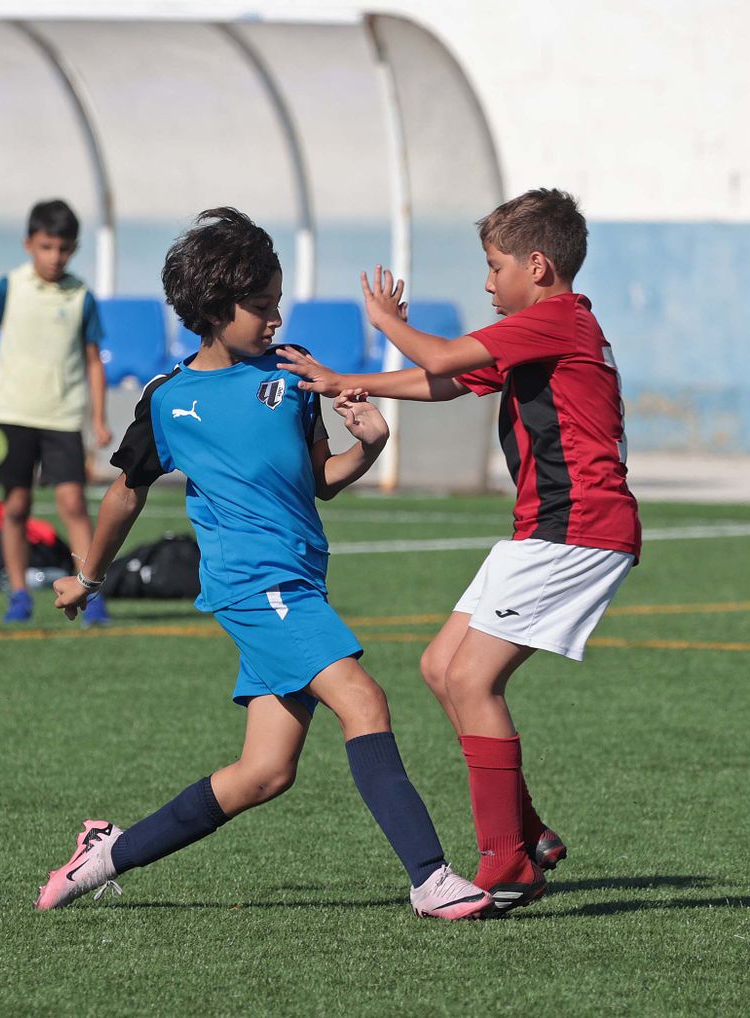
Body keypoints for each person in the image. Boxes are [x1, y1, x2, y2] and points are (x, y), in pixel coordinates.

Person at [33, 208, 490, 921]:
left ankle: (104, 853)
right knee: (364, 700)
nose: (276, 319)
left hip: (299, 580)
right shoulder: (168, 400)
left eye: (278, 303)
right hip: (255, 587)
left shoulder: (289, 371)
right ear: (215, 310)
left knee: (263, 773)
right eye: (262, 307)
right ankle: (431, 878)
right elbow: (124, 495)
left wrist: (366, 447)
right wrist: (88, 577)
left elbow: (319, 480)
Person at [279, 188, 641, 915]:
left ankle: (507, 863)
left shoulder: (556, 320)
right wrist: (347, 380)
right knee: (441, 667)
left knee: (474, 681)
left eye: (494, 265)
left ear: (537, 266)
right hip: (546, 527)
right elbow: (445, 380)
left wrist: (384, 324)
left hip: (578, 529)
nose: (486, 282)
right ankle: (529, 835)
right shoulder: (545, 329)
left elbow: (440, 354)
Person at [0, 199, 111, 625]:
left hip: (63, 415)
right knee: (15, 505)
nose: (55, 257)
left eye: (64, 248)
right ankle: (17, 593)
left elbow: (92, 360)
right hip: (12, 412)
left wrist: (98, 418)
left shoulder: (81, 296)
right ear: (29, 243)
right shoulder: (9, 287)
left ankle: (90, 592)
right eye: (47, 246)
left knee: (72, 502)